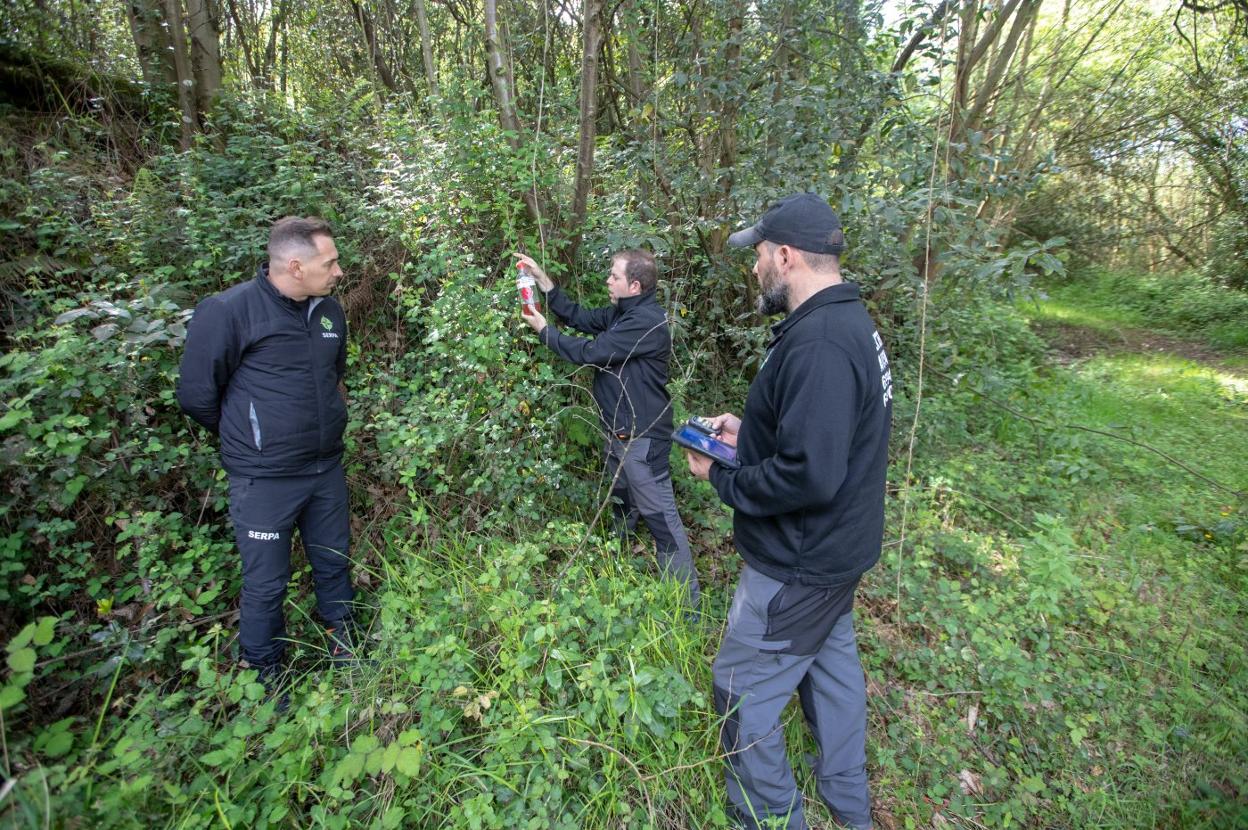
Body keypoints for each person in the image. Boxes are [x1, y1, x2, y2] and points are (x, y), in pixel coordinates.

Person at [684, 193, 892, 830]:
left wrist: (724, 474)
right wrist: (750, 434)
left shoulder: (821, 344)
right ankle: (853, 813)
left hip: (798, 566)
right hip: (836, 557)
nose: (754, 271)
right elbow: (827, 439)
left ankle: (771, 818)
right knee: (831, 681)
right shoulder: (847, 322)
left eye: (759, 258)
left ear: (785, 255)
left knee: (738, 696)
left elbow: (812, 475)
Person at [178, 216, 358, 697]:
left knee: (334, 562)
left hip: (325, 470)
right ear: (295, 266)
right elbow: (196, 394)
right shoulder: (229, 311)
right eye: (330, 262)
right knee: (266, 584)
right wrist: (252, 439)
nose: (339, 271)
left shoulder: (328, 313)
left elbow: (332, 378)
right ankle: (264, 678)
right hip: (264, 481)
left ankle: (347, 650)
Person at [516, 250, 700, 609]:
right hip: (619, 434)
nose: (607, 281)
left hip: (642, 440)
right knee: (622, 501)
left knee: (661, 521)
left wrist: (543, 332)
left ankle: (687, 608)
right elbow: (581, 318)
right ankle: (622, 562)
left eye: (613, 276)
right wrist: (544, 282)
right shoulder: (624, 313)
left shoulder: (644, 322)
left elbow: (589, 352)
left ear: (634, 285)